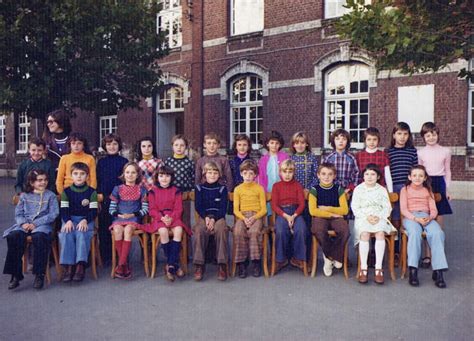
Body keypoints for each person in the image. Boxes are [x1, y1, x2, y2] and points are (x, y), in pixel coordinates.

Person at [3, 169, 59, 290]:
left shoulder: (51, 196)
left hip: (42, 225)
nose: (43, 183)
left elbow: (53, 214)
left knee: (39, 237)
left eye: (45, 180)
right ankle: (15, 275)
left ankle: (39, 274)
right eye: (39, 180)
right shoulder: (24, 196)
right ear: (32, 182)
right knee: (14, 236)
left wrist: (36, 223)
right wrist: (22, 223)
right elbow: (18, 213)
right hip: (25, 224)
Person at [400, 165, 448, 288]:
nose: (417, 178)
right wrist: (416, 219)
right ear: (409, 177)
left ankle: (438, 271)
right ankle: (413, 270)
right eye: (414, 175)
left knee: (438, 233)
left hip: (427, 217)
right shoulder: (404, 190)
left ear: (425, 177)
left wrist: (430, 218)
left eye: (421, 176)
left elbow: (434, 209)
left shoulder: (428, 190)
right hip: (411, 217)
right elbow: (404, 210)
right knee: (415, 234)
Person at [351, 164, 396, 284]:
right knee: (364, 234)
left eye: (373, 174)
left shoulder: (381, 190)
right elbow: (355, 207)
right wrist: (367, 217)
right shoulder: (358, 189)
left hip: (379, 217)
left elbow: (387, 207)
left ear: (378, 176)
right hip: (363, 217)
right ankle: (364, 268)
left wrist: (378, 216)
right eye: (367, 174)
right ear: (363, 176)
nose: (369, 177)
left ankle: (378, 268)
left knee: (380, 233)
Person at [145, 165, 191, 282]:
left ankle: (170, 265)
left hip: (174, 217)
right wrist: (162, 218)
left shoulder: (176, 191)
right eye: (161, 176)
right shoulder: (152, 192)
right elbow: (152, 209)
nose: (164, 179)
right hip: (159, 218)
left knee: (179, 230)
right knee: (163, 231)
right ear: (157, 177)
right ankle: (174, 265)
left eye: (167, 176)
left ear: (171, 177)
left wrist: (171, 218)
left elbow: (179, 208)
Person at [58, 162, 98, 282]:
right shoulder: (66, 192)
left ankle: (80, 266)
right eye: (76, 174)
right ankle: (69, 266)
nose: (79, 176)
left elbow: (94, 210)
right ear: (71, 175)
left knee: (81, 233)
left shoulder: (92, 192)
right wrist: (68, 221)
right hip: (70, 219)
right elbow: (64, 210)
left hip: (86, 220)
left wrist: (86, 220)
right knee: (67, 233)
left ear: (87, 176)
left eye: (82, 174)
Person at [309, 163, 349, 277]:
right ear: (318, 175)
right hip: (321, 217)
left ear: (334, 176)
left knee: (345, 230)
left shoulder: (339, 189)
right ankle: (331, 257)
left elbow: (345, 210)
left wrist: (327, 208)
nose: (326, 177)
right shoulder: (314, 190)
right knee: (318, 230)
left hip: (336, 218)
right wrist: (332, 214)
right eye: (323, 174)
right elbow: (313, 211)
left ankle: (330, 256)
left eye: (330, 174)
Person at [109, 162, 148, 279]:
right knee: (117, 230)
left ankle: (121, 265)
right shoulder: (117, 189)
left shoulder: (141, 190)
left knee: (128, 230)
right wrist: (118, 215)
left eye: (133, 172)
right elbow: (111, 208)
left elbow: (146, 209)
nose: (130, 175)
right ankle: (124, 265)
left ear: (137, 175)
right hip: (119, 217)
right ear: (123, 174)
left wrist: (133, 214)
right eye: (127, 172)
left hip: (134, 217)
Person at [387, 122, 418, 264]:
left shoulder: (412, 151)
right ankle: (395, 250)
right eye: (399, 133)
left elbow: (415, 171)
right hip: (393, 189)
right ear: (394, 135)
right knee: (395, 220)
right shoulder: (388, 152)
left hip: (408, 189)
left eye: (405, 134)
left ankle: (407, 251)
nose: (402, 137)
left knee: (406, 219)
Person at [192, 162, 229, 281]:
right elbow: (198, 206)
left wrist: (213, 218)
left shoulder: (223, 189)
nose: (212, 175)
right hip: (204, 216)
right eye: (209, 173)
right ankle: (199, 265)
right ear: (204, 174)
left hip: (218, 217)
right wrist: (206, 217)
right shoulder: (199, 188)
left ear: (219, 175)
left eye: (215, 173)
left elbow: (223, 208)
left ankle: (222, 264)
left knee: (221, 229)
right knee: (199, 230)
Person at [96, 133, 129, 265]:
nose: (112, 147)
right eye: (109, 144)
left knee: (118, 226)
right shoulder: (101, 162)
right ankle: (106, 256)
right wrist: (99, 197)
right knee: (104, 227)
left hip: (120, 200)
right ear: (105, 146)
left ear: (119, 146)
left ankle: (120, 255)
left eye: (115, 144)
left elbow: (127, 181)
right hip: (105, 198)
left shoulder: (124, 162)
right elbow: (98, 181)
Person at [270, 160, 307, 274]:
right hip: (283, 212)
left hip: (296, 212)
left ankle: (298, 258)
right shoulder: (276, 186)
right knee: (280, 230)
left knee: (301, 229)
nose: (287, 174)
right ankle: (281, 259)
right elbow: (274, 205)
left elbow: (302, 204)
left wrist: (294, 216)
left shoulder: (297, 185)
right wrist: (286, 216)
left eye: (290, 172)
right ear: (280, 172)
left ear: (294, 172)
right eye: (284, 171)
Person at [233, 160, 267, 278]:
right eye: (245, 173)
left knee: (254, 232)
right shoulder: (238, 189)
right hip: (242, 216)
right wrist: (243, 218)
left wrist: (253, 218)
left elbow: (264, 209)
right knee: (238, 231)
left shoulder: (259, 188)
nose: (248, 176)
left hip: (256, 216)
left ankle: (256, 262)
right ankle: (241, 263)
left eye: (251, 173)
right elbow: (236, 210)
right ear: (241, 173)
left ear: (255, 175)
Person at [418, 122, 452, 221]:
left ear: (437, 135)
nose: (431, 137)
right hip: (426, 181)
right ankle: (427, 233)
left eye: (434, 134)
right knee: (426, 208)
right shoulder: (420, 152)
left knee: (439, 210)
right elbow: (420, 171)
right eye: (428, 135)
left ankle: (439, 234)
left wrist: (447, 189)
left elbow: (448, 171)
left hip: (440, 181)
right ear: (423, 137)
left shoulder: (446, 151)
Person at [258, 130, 289, 216]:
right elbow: (261, 177)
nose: (274, 146)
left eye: (277, 143)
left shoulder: (285, 157)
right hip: (268, 189)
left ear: (280, 144)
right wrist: (263, 191)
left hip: (282, 189)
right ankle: (271, 227)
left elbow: (289, 173)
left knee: (282, 211)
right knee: (270, 212)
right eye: (272, 143)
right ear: (267, 144)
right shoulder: (263, 160)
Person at [323, 129, 359, 194]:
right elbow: (323, 175)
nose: (341, 141)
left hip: (347, 191)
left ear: (347, 142)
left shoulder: (351, 158)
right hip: (331, 190)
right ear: (333, 141)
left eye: (344, 139)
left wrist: (350, 189)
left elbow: (356, 174)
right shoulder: (328, 158)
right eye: (337, 139)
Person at [42, 109, 72, 173]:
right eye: (47, 122)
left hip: (70, 177)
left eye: (51, 122)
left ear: (60, 121)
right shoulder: (45, 141)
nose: (49, 124)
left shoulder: (74, 140)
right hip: (50, 177)